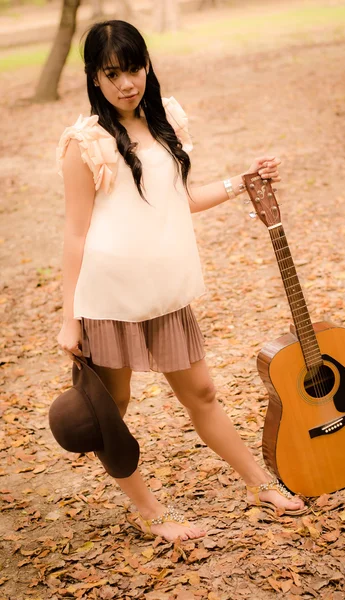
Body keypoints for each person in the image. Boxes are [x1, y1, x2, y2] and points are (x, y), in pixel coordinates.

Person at [56, 19, 306, 543]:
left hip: (165, 292)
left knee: (204, 393)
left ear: (148, 65)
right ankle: (151, 515)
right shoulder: (85, 144)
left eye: (135, 68)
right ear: (95, 79)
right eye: (113, 73)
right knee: (111, 414)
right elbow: (75, 236)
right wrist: (68, 318)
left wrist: (244, 182)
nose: (128, 83)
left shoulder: (166, 120)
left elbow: (180, 202)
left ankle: (259, 484)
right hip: (109, 299)